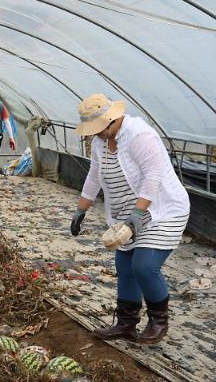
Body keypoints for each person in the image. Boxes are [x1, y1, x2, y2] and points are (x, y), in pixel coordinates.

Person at [70, 93, 189, 344]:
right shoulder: (101, 142)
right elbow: (94, 175)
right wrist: (81, 210)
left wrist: (139, 213)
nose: (97, 134)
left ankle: (159, 321)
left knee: (144, 266)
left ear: (113, 119)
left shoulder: (139, 135)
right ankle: (126, 324)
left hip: (161, 210)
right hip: (127, 214)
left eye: (99, 129)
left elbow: (153, 176)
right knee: (125, 268)